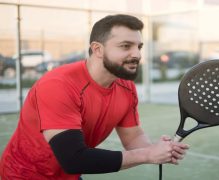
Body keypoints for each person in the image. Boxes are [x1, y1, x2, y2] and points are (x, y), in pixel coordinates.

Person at [0, 14, 189, 180]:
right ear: (97, 49)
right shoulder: (58, 85)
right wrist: (147, 155)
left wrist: (155, 149)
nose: (137, 54)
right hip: (23, 175)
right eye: (126, 46)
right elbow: (74, 159)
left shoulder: (126, 86)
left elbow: (133, 137)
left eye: (139, 46)